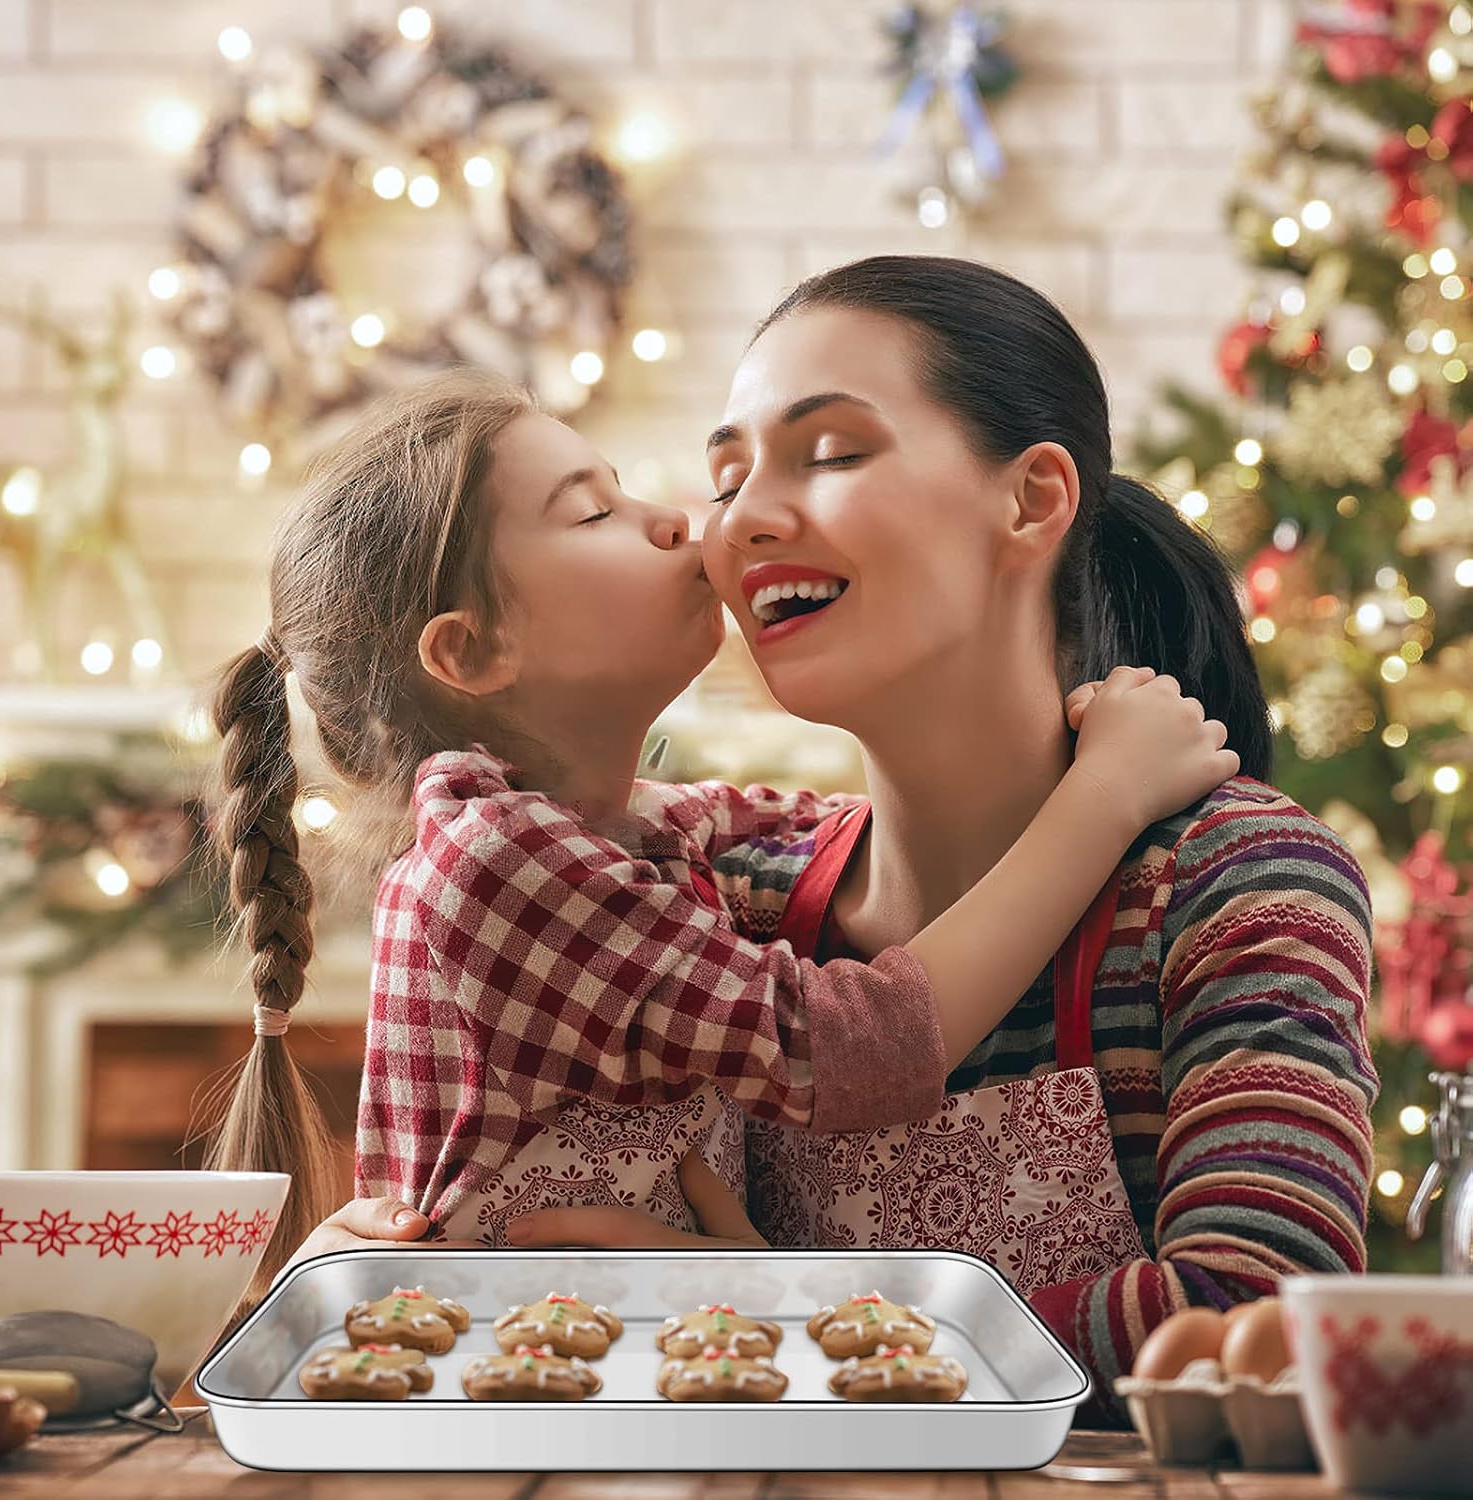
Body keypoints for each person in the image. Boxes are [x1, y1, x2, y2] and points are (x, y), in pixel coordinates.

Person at [504, 256, 1380, 1425]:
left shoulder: (1230, 883)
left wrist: (790, 1320)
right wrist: (393, 1238)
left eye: (832, 454)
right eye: (728, 474)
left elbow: (1250, 1326)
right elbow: (565, 1246)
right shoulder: (729, 896)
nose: (745, 517)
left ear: (1030, 501)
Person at [198, 366, 1236, 1311]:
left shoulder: (637, 829)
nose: (686, 524)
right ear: (473, 650)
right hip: (506, 1397)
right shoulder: (493, 863)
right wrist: (1100, 798)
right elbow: (854, 1046)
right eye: (596, 512)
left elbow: (789, 815)